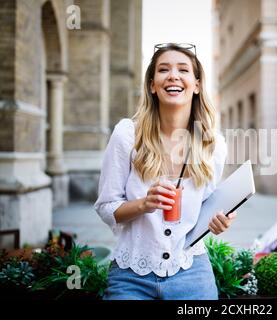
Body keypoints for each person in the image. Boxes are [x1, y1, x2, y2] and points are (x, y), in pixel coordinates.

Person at [94, 43, 236, 300]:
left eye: (183, 70)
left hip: (191, 271)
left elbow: (206, 208)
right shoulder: (127, 134)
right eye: (163, 70)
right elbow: (106, 207)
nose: (173, 75)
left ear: (196, 85)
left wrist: (216, 221)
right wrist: (143, 204)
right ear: (152, 84)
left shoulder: (213, 144)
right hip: (131, 275)